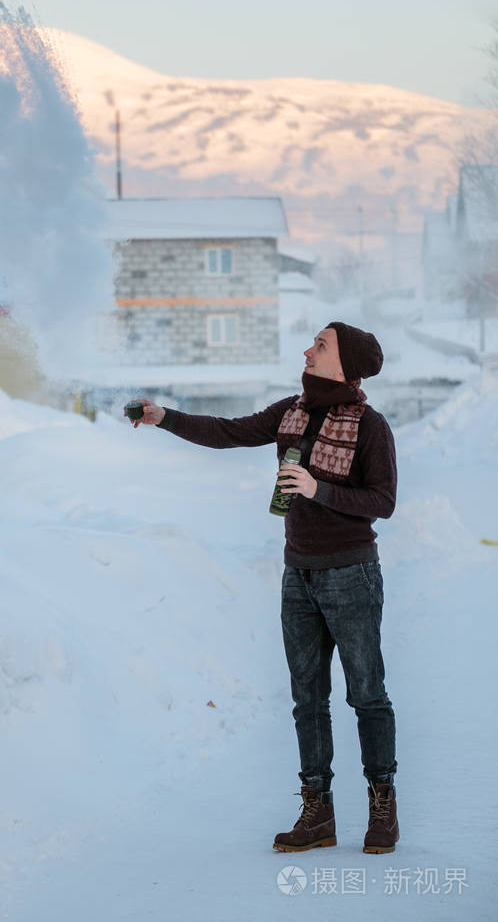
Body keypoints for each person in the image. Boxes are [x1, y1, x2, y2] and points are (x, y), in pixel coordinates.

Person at [125, 322, 399, 855]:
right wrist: (164, 417)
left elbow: (382, 501)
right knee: (307, 698)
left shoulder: (370, 426)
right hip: (298, 574)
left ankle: (382, 806)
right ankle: (317, 813)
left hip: (351, 574)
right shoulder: (290, 412)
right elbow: (228, 431)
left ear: (344, 363)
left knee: (366, 693)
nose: (307, 350)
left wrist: (318, 489)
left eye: (320, 345)